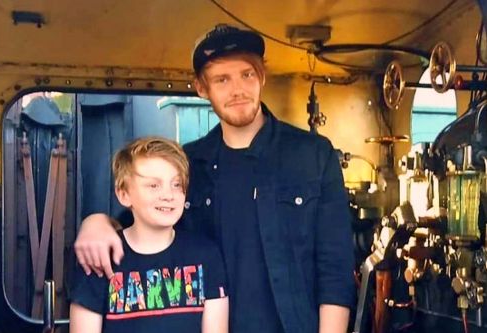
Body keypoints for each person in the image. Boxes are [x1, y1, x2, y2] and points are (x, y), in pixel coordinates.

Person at [74, 24, 355, 333]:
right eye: (222, 79)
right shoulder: (187, 164)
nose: (237, 90)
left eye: (247, 74)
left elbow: (335, 271)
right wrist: (95, 223)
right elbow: (136, 223)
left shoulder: (313, 155)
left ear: (261, 76)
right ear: (201, 88)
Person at [70, 137, 228, 333]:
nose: (168, 195)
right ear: (123, 194)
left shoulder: (206, 255)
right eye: (153, 185)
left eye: (176, 184)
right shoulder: (101, 256)